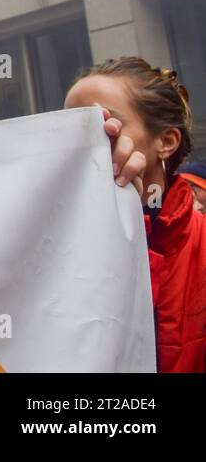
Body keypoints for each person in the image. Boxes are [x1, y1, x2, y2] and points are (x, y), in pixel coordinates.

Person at [65, 58, 204, 372]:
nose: (84, 143)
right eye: (71, 129)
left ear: (166, 142)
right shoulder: (50, 249)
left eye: (105, 126)